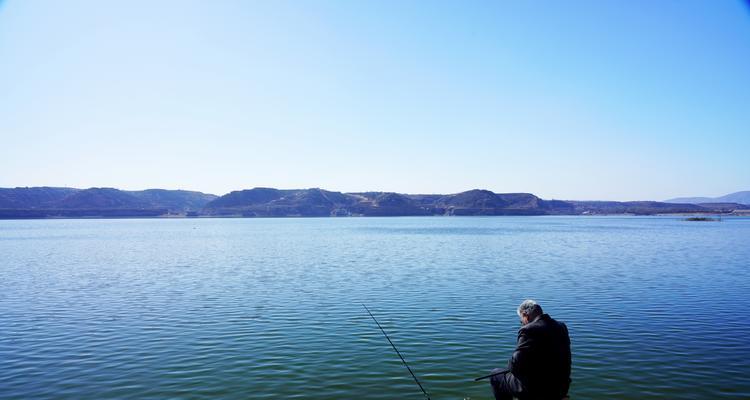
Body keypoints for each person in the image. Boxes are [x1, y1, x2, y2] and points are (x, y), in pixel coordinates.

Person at [489, 300, 571, 400]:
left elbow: (515, 364)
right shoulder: (561, 326)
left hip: (536, 390)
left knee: (495, 374)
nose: (522, 323)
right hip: (561, 388)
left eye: (521, 321)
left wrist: (510, 365)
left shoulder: (528, 329)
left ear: (525, 315)